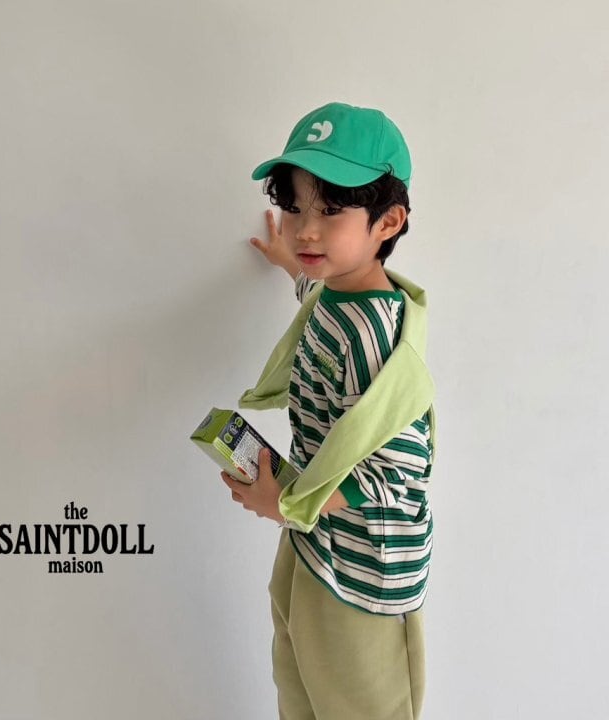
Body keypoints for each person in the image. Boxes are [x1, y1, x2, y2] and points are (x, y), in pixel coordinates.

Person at [220, 102, 435, 720]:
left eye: (330, 211)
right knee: (300, 696)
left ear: (388, 221)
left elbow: (396, 471)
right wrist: (290, 263)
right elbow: (317, 294)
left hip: (364, 576)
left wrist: (284, 504)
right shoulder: (338, 295)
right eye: (295, 208)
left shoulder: (374, 337)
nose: (305, 231)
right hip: (316, 547)